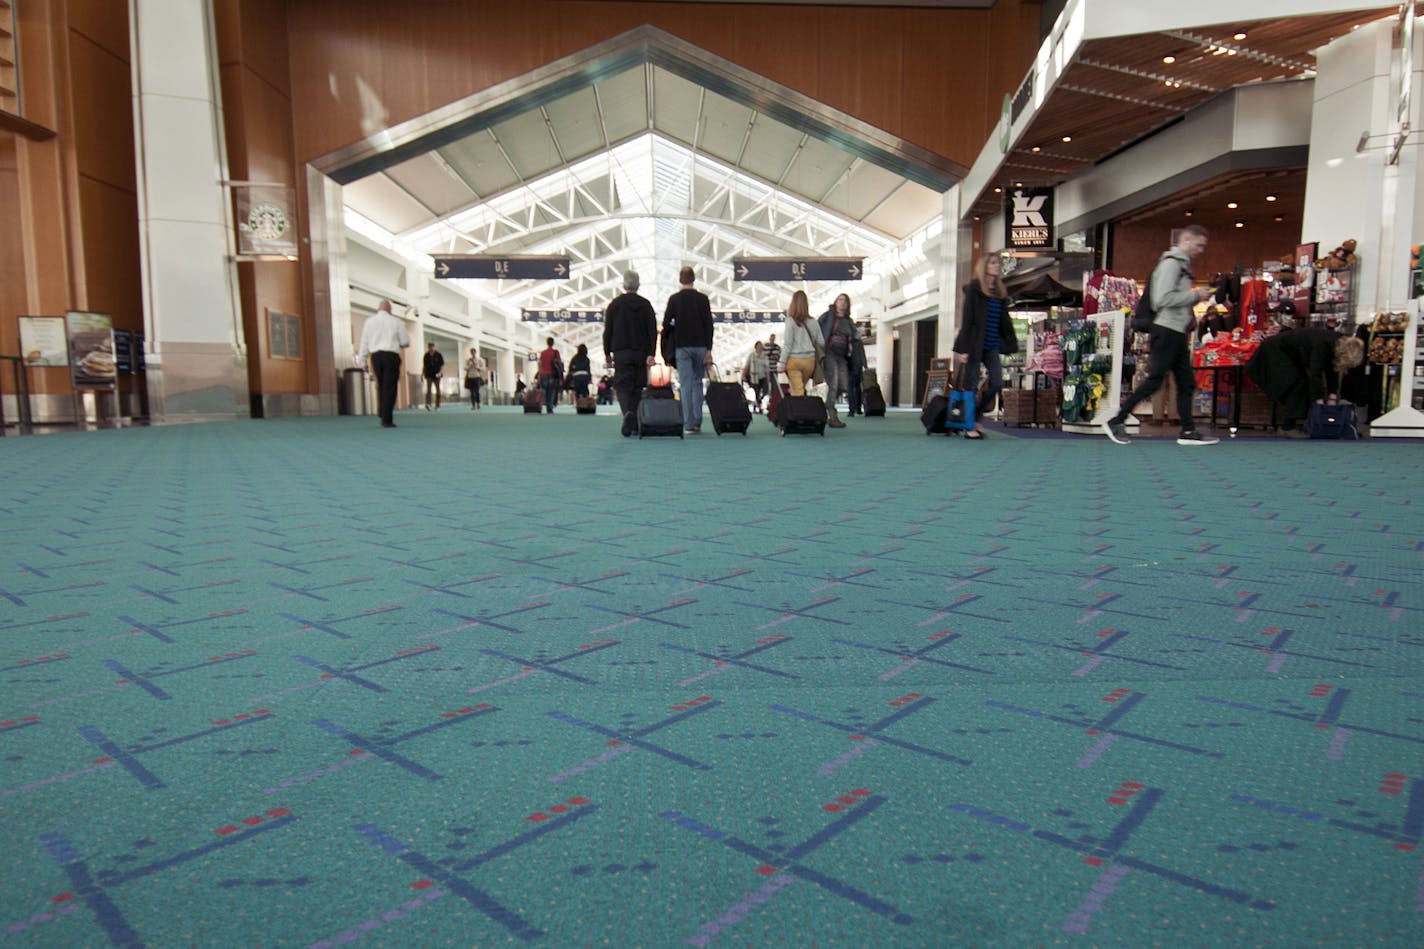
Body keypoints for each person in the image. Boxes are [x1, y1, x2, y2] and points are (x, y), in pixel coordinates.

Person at [1103, 225, 1219, 446]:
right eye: (1198, 244)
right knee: (1156, 380)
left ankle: (1188, 430)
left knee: (1185, 382)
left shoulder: (1180, 265)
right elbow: (1162, 299)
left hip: (1174, 331)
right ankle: (1117, 419)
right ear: (1185, 240)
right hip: (1167, 330)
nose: (1201, 250)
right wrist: (1195, 296)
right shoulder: (1171, 264)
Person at [1245, 328, 1365, 434]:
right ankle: (1288, 427)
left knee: (1300, 383)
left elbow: (1332, 370)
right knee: (1298, 384)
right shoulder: (1322, 345)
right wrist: (1318, 401)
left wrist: (1332, 396)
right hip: (1273, 352)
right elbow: (1315, 374)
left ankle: (1291, 424)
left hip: (1286, 354)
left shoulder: (1336, 343)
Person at [952, 256, 1019, 439]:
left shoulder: (999, 292)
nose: (996, 266)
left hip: (992, 345)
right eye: (992, 263)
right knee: (971, 385)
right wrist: (963, 349)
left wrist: (1010, 341)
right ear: (984, 267)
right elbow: (968, 319)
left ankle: (976, 415)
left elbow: (1004, 321)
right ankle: (969, 426)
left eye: (997, 263)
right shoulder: (975, 289)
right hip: (974, 344)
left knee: (997, 382)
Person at [602, 270, 658, 437]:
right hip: (640, 352)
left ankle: (628, 413)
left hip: (621, 352)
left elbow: (608, 330)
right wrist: (651, 352)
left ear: (624, 285)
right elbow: (651, 331)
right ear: (638, 285)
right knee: (637, 386)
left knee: (622, 386)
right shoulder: (646, 305)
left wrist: (607, 352)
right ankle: (633, 420)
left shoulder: (615, 304)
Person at [662, 266, 714, 434]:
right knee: (698, 383)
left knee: (685, 385)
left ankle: (688, 423)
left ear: (680, 280)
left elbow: (665, 324)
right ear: (693, 279)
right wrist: (708, 349)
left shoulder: (674, 300)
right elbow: (709, 325)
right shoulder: (703, 299)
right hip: (700, 346)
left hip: (682, 347)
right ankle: (698, 421)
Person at [355, 299, 409, 429]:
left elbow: (364, 343)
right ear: (390, 310)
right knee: (390, 387)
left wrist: (362, 361)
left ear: (378, 309)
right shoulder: (397, 322)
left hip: (376, 357)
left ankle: (381, 410)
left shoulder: (369, 322)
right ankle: (387, 418)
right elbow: (405, 342)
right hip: (391, 356)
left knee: (381, 384)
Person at [817, 293, 861, 429]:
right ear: (835, 302)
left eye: (845, 301)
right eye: (840, 300)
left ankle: (824, 406)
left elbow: (856, 339)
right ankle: (833, 416)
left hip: (842, 356)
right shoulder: (828, 316)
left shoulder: (848, 321)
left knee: (844, 385)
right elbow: (818, 329)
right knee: (834, 384)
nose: (842, 303)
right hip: (829, 353)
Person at [779, 290, 823, 397]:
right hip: (809, 361)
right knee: (800, 388)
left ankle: (800, 411)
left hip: (794, 361)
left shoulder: (790, 321)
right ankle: (802, 408)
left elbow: (788, 344)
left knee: (797, 390)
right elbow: (821, 342)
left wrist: (782, 363)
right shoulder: (813, 322)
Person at [537, 337, 563, 414]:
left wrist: (539, 374)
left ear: (547, 343)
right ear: (553, 343)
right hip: (552, 374)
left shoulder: (543, 353)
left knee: (543, 391)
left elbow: (540, 364)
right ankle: (549, 407)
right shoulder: (555, 352)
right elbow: (559, 363)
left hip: (543, 374)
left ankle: (539, 405)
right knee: (551, 391)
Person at [742, 341, 769, 412]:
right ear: (756, 347)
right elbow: (747, 366)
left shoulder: (765, 356)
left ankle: (759, 403)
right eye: (759, 346)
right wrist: (743, 375)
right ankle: (757, 406)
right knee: (756, 392)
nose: (760, 347)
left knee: (765, 391)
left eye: (761, 346)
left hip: (762, 377)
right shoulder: (751, 355)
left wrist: (768, 379)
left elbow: (767, 369)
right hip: (754, 378)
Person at [421, 342, 445, 410]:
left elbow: (442, 364)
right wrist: (422, 374)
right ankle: (428, 404)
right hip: (428, 374)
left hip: (437, 374)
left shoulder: (438, 354)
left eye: (432, 347)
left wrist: (440, 372)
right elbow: (424, 366)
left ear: (434, 347)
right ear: (428, 348)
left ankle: (437, 405)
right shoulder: (426, 355)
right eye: (430, 347)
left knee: (438, 390)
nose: (431, 348)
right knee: (428, 390)